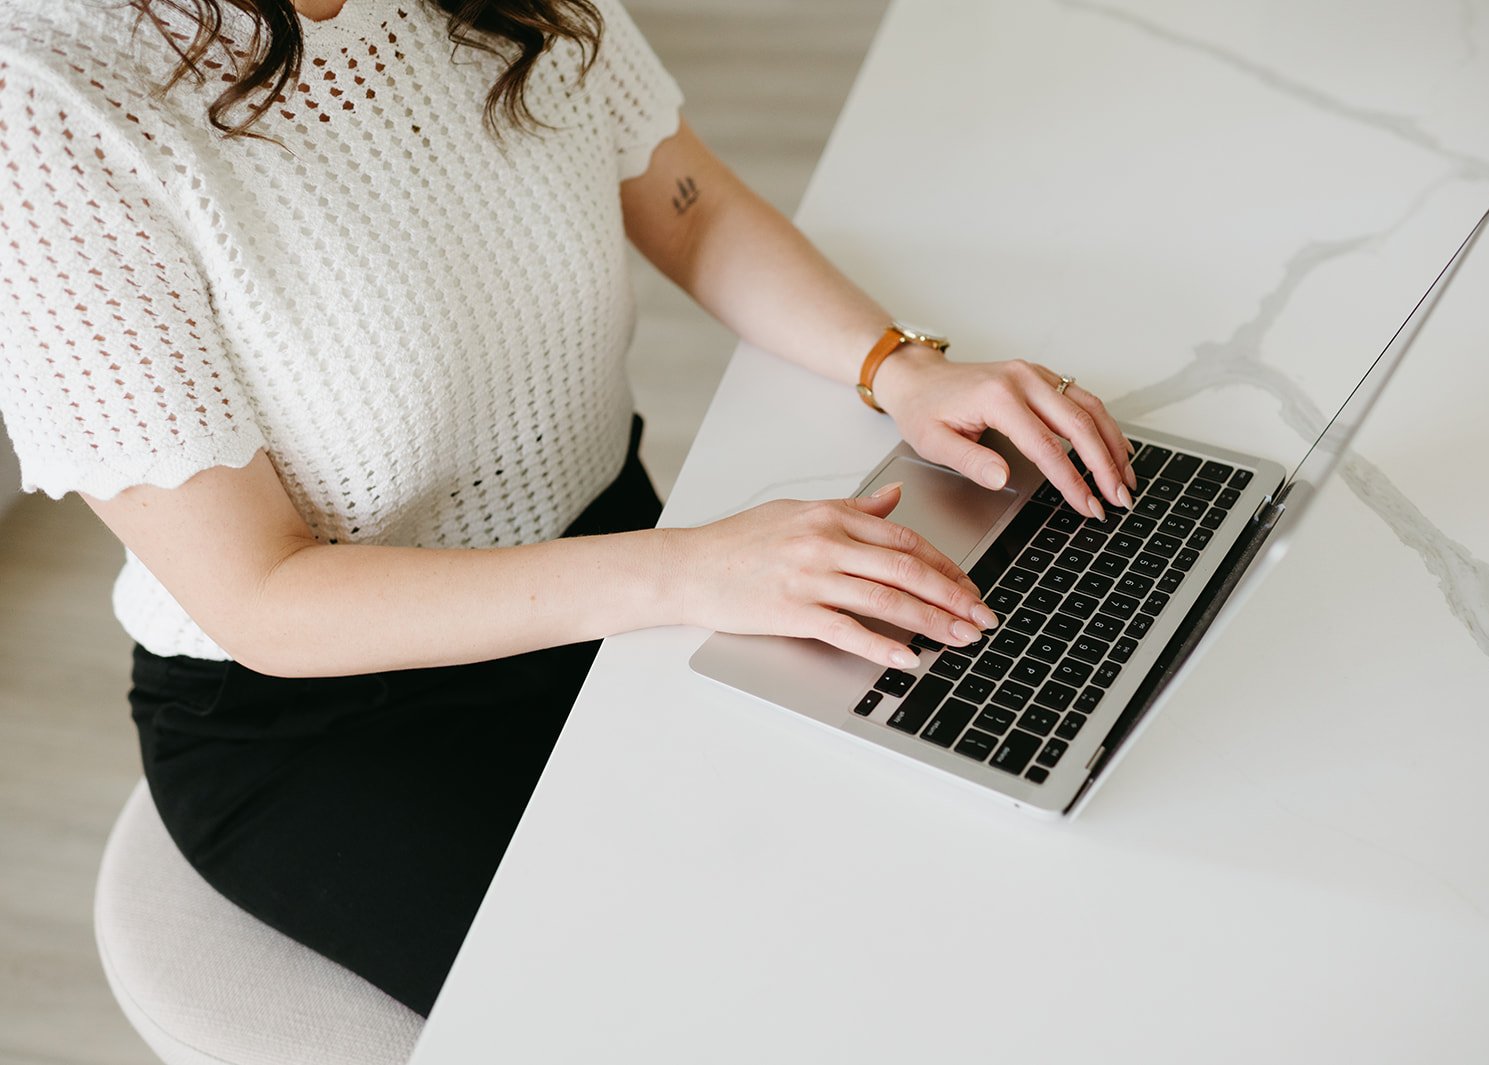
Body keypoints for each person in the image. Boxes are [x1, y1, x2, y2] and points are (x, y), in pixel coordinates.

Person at [0, 0, 1136, 1016]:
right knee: (712, 1012)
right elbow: (263, 598)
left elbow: (685, 206)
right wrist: (687, 570)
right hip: (336, 723)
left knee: (961, 879)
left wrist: (896, 366)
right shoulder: (49, 105)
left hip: (608, 574)